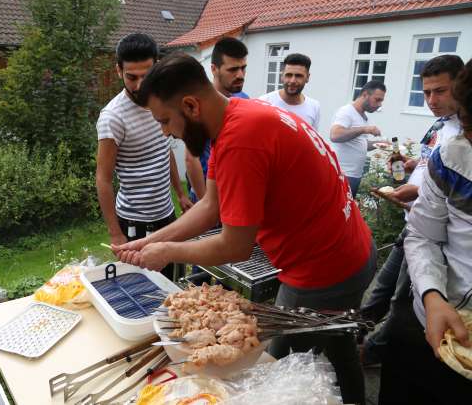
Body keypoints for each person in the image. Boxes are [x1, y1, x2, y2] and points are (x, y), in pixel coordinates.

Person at [114, 53, 376, 404]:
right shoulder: (237, 115)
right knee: (339, 343)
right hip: (351, 250)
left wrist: (167, 252)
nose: (166, 132)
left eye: (165, 120)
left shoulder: (241, 140)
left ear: (191, 106)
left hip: (324, 269)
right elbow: (210, 206)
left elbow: (235, 246)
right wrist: (150, 240)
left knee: (278, 374)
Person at [360, 55, 465, 366]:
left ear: (461, 84)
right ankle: (352, 336)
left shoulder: (464, 131)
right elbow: (429, 163)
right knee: (381, 289)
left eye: (440, 91)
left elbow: (452, 188)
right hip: (413, 223)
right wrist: (411, 167)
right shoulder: (440, 123)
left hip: (434, 235)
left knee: (402, 298)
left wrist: (417, 190)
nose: (432, 100)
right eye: (427, 92)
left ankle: (373, 351)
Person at [378, 58, 472, 404]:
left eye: (440, 91)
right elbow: (425, 235)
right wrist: (433, 296)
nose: (432, 99)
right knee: (392, 297)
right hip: (433, 316)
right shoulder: (451, 152)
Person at [95, 33, 191, 280]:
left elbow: (163, 149)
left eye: (146, 75)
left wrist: (180, 193)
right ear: (118, 71)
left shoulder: (161, 102)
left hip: (167, 216)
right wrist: (116, 233)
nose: (139, 85)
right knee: (143, 291)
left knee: (171, 286)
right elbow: (103, 180)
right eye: (131, 77)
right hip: (135, 224)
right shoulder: (112, 117)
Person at [185, 37, 249, 203]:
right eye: (233, 70)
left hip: (233, 191)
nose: (240, 75)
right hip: (206, 190)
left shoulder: (244, 99)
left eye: (243, 68)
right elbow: (191, 159)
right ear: (214, 69)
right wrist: (204, 202)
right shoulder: (198, 104)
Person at [330, 80, 386, 196]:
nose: (380, 104)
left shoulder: (364, 117)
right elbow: (335, 135)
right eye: (377, 99)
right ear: (365, 95)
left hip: (354, 175)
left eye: (381, 100)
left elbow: (361, 144)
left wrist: (381, 144)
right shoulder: (346, 112)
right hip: (341, 174)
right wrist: (364, 129)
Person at [259, 53, 321, 130]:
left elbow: (312, 139)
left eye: (298, 76)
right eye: (288, 75)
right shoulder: (264, 102)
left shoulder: (314, 106)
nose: (292, 81)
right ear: (282, 76)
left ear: (307, 77)